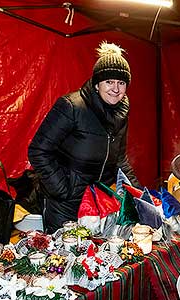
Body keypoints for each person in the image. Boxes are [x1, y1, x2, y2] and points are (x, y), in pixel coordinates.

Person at [28, 41, 140, 234]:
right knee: (64, 257)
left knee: (94, 258)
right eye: (109, 82)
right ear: (97, 84)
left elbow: (120, 159)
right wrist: (63, 190)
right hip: (65, 205)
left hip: (98, 203)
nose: (115, 88)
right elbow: (39, 150)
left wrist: (137, 195)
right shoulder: (71, 106)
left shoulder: (120, 114)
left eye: (121, 83)